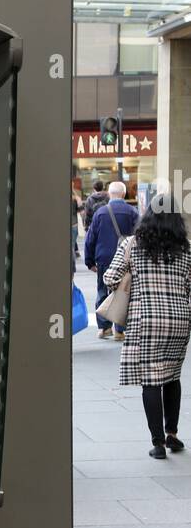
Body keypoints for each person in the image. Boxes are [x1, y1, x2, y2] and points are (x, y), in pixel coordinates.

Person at [104, 198, 191, 459]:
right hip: (178, 319)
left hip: (147, 319)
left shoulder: (132, 244)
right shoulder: (186, 249)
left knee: (151, 380)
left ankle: (158, 444)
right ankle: (172, 434)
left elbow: (110, 277)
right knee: (172, 376)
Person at [84, 180, 137, 340]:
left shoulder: (100, 213)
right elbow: (140, 236)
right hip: (126, 259)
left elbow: (90, 239)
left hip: (104, 258)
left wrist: (89, 261)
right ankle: (119, 330)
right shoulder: (132, 212)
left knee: (102, 290)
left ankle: (103, 328)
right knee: (124, 292)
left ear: (109, 194)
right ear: (123, 193)